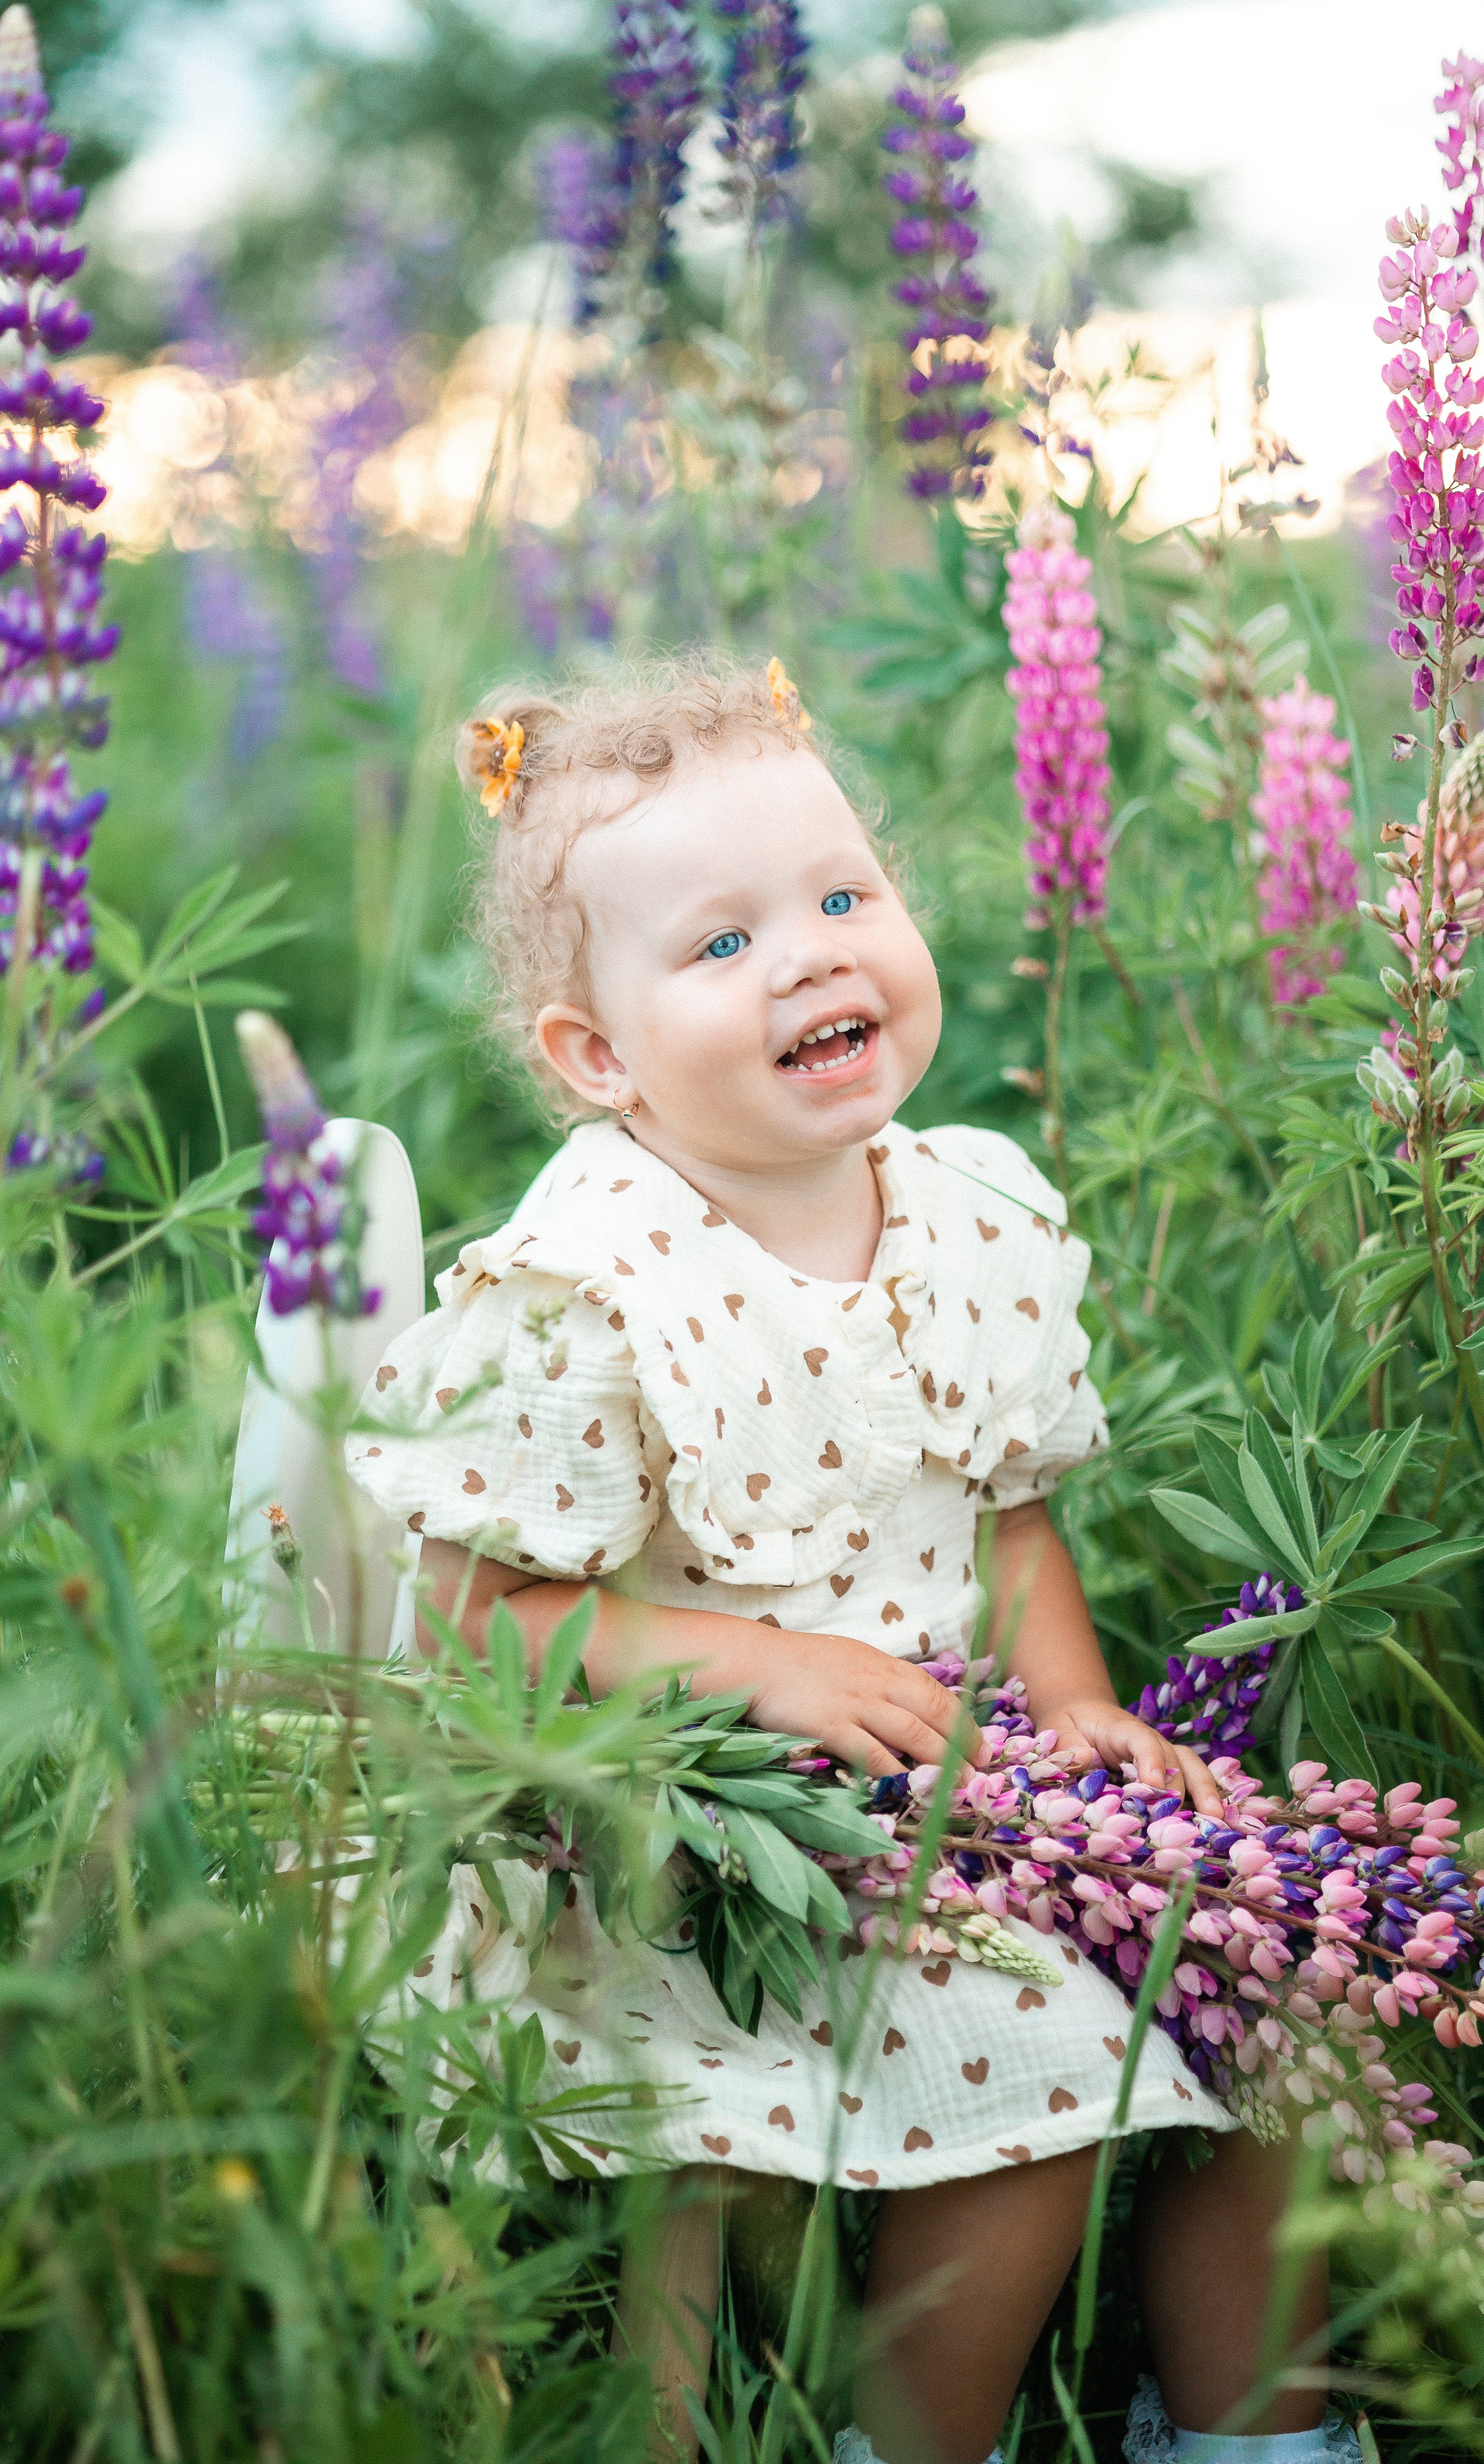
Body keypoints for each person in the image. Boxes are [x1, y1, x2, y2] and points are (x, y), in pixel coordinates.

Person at [347, 656, 1346, 2464]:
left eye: (842, 897)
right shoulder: (597, 1283)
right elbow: (483, 1622)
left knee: (1277, 1998)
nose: (810, 958)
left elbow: (1007, 1519)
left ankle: (1254, 2436)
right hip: (708, 1830)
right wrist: (769, 1666)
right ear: (597, 1057)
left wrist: (1076, 1706)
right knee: (1049, 2073)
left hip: (963, 1777)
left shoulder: (970, 1213)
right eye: (724, 943)